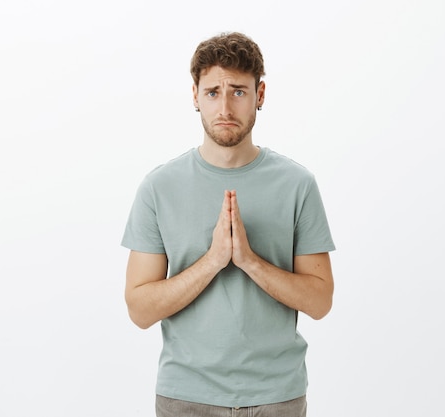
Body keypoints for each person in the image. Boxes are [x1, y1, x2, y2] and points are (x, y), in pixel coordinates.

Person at [121, 31, 335, 417]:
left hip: (276, 396)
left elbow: (320, 302)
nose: (224, 107)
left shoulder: (297, 184)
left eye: (238, 91)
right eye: (212, 92)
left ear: (261, 95)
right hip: (185, 397)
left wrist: (250, 260)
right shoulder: (159, 187)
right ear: (195, 96)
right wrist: (214, 260)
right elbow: (139, 309)